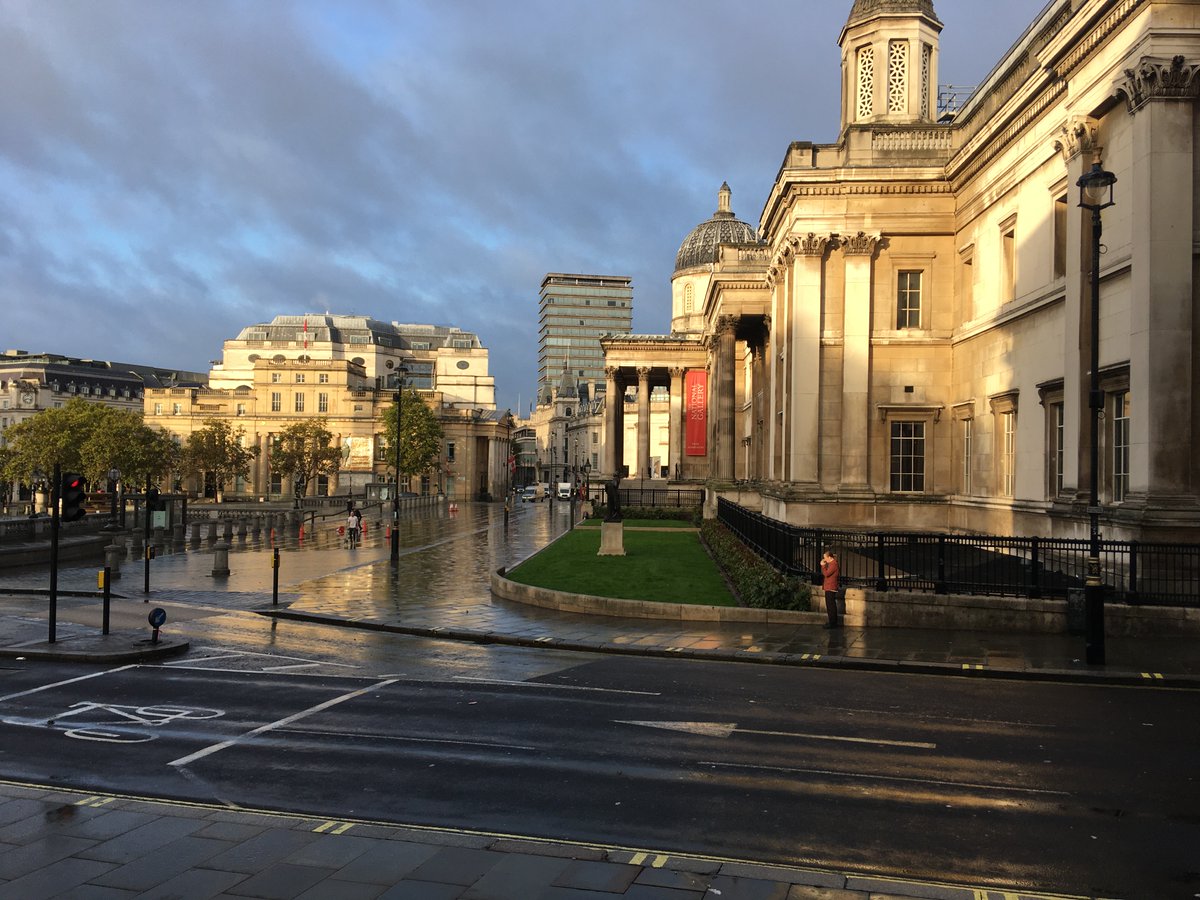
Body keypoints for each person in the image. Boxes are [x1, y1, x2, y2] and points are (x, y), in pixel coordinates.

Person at [820, 547, 841, 628]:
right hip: (829, 586)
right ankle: (831, 622)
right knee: (830, 605)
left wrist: (823, 566)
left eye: (825, 558)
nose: (824, 559)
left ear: (829, 557)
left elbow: (826, 574)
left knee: (831, 605)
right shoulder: (832, 564)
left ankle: (833, 623)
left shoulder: (833, 564)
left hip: (831, 587)